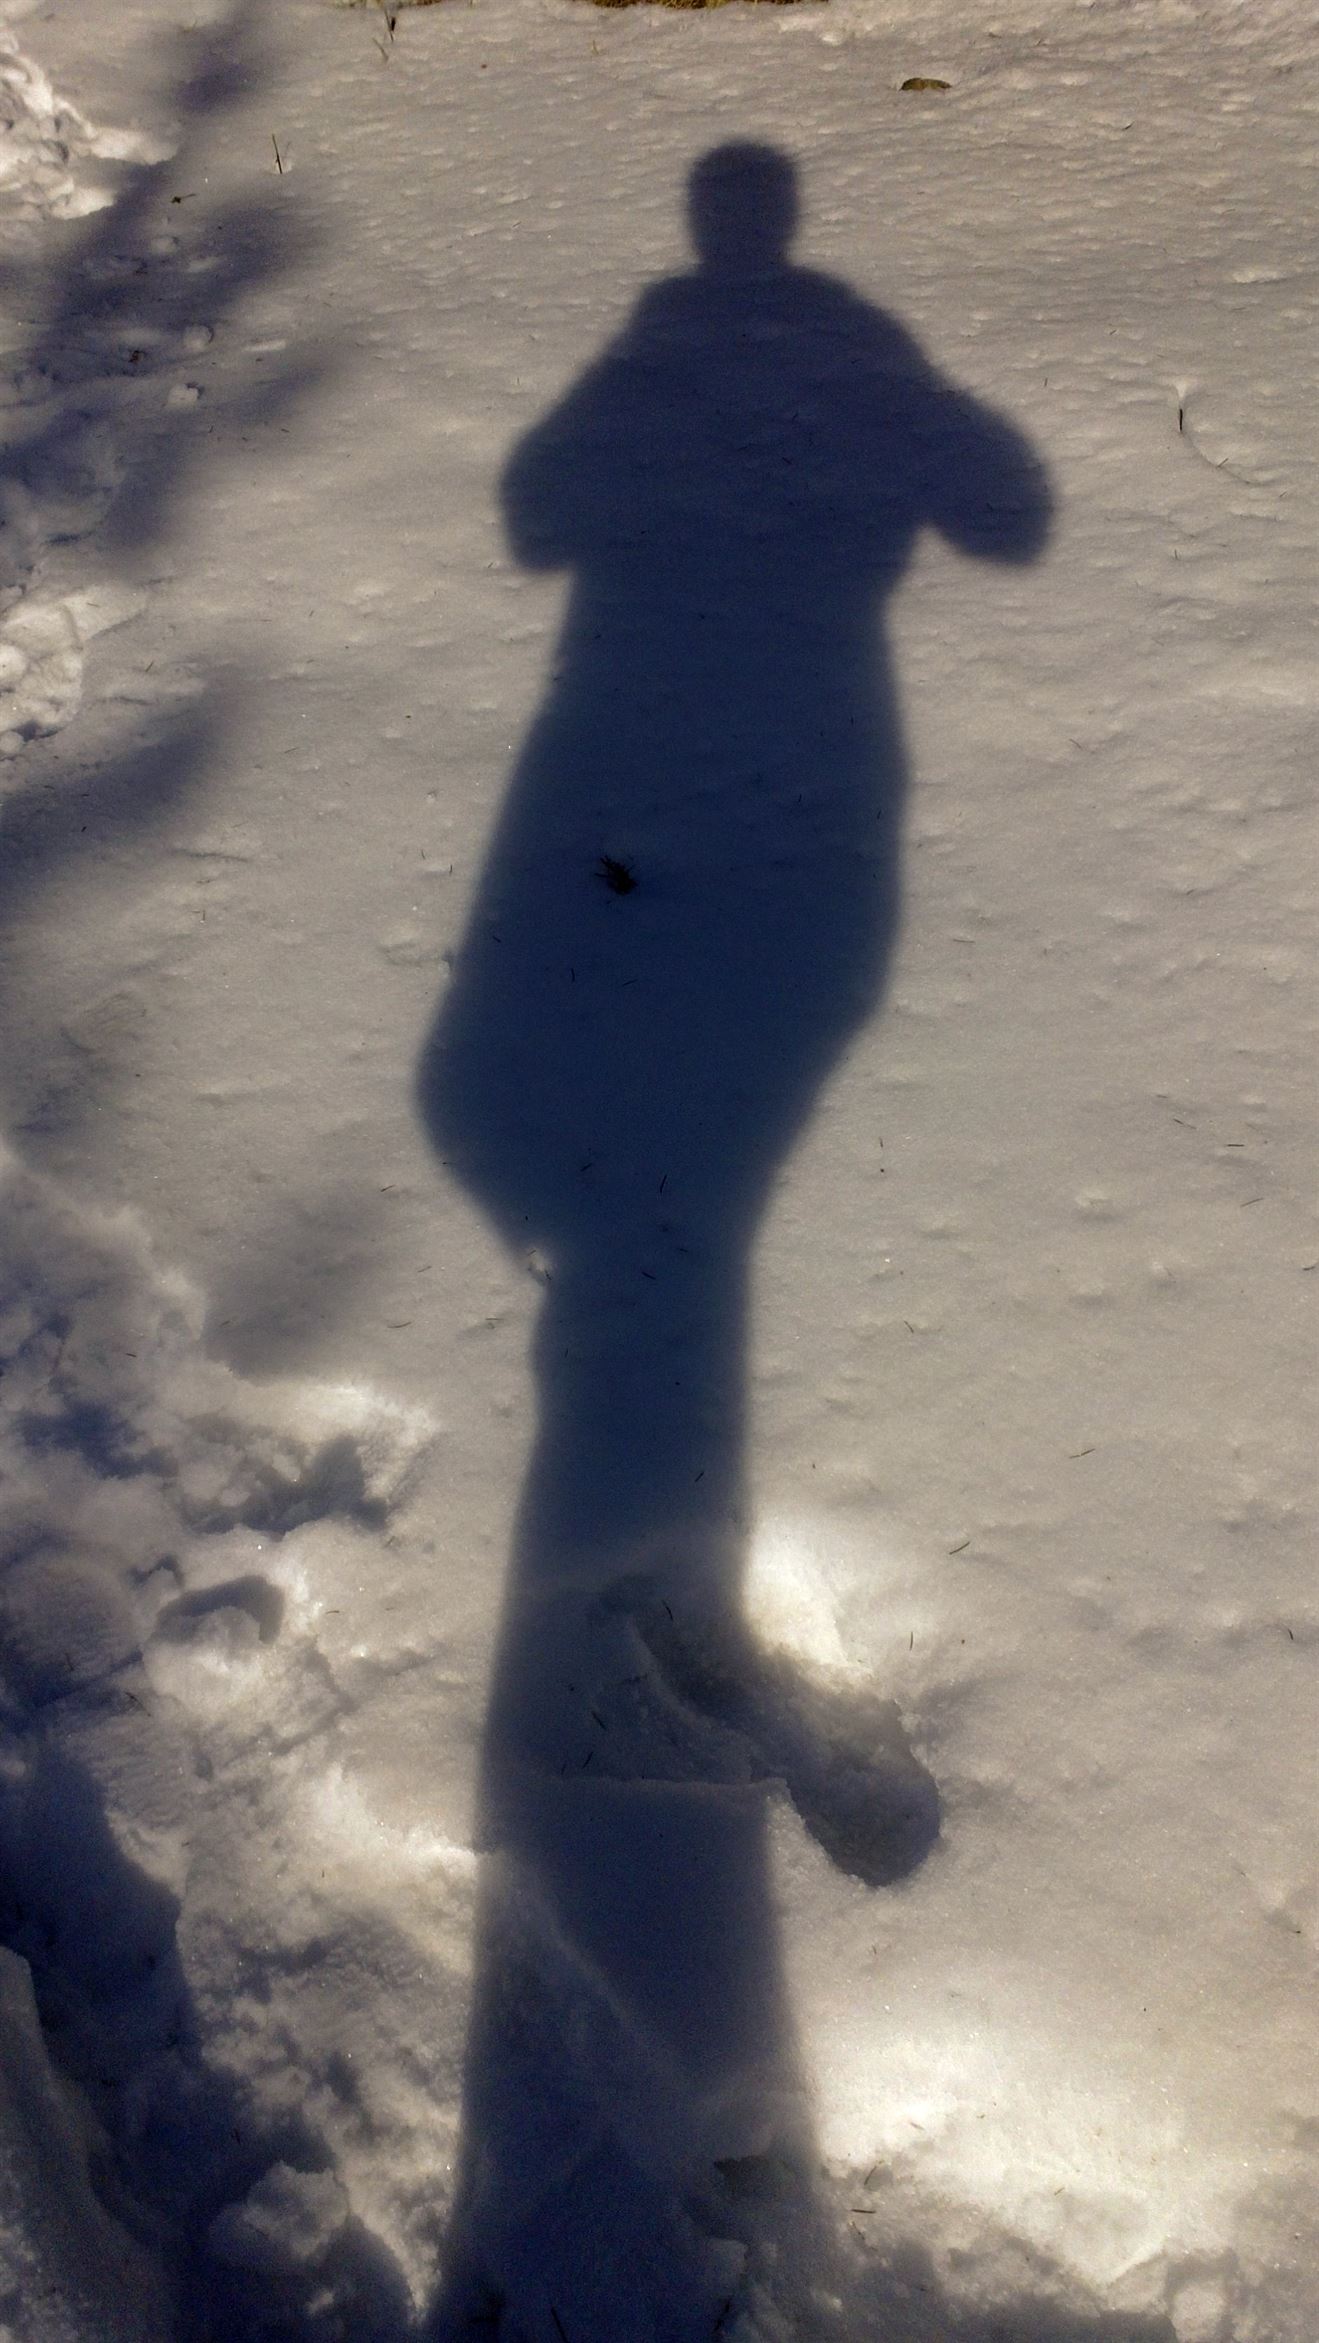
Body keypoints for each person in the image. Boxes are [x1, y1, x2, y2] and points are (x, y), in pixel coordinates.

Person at [420, 143, 1050, 2342]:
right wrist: (895, 439)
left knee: (672, 1227)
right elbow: (1010, 511)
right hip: (815, 832)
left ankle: (646, 1681)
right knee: (722, 1182)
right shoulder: (834, 347)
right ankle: (670, 1680)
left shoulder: (672, 345)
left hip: (715, 797)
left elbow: (531, 515)